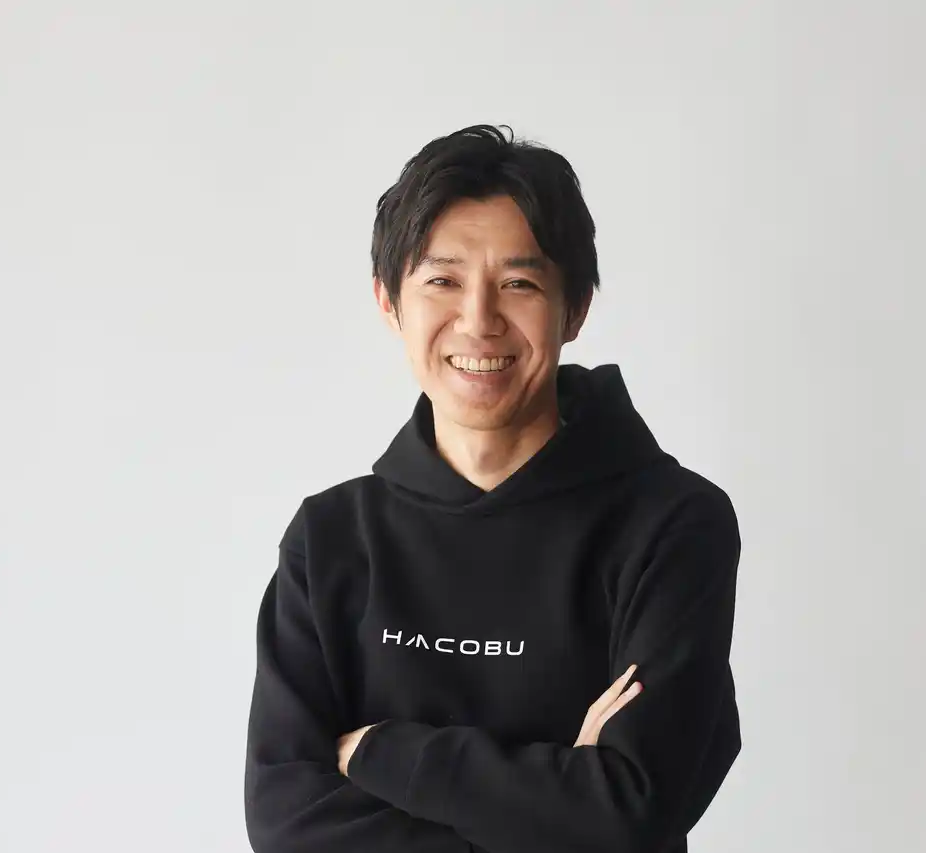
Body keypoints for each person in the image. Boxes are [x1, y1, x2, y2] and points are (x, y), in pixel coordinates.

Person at [243, 124, 742, 853]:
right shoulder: (330, 538)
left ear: (576, 308)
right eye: (442, 281)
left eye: (519, 283)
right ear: (389, 302)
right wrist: (564, 802)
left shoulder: (672, 525)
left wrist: (381, 753)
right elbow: (285, 822)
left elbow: (630, 808)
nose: (478, 321)